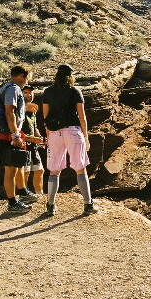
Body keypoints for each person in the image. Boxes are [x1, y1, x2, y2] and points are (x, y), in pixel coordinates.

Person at [42, 64, 98, 216]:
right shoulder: (75, 91)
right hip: (73, 131)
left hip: (54, 133)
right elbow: (82, 117)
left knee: (54, 170)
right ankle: (88, 205)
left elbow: (45, 118)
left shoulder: (47, 92)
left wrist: (48, 136)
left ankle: (51, 205)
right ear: (70, 76)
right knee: (80, 167)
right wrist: (86, 137)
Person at [0, 64, 38, 213]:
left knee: (14, 168)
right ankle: (13, 203)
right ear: (21, 76)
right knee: (10, 171)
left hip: (5, 134)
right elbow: (9, 112)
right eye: (27, 78)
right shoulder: (13, 89)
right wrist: (15, 135)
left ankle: (20, 195)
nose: (27, 81)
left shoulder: (4, 87)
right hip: (8, 136)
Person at [15, 84, 45, 199]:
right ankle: (24, 195)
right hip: (23, 146)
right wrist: (33, 139)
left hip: (33, 146)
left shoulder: (33, 110)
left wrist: (40, 138)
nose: (29, 95)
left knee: (39, 170)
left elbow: (35, 126)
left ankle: (39, 193)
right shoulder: (19, 110)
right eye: (26, 93)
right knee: (25, 172)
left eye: (31, 92)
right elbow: (17, 133)